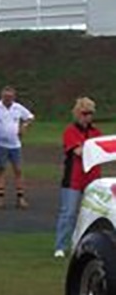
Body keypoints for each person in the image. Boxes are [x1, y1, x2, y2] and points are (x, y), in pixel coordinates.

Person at [53, 97, 103, 258]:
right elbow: (78, 152)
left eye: (90, 113)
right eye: (84, 113)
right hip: (73, 179)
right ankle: (60, 246)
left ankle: (83, 245)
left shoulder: (96, 132)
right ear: (77, 114)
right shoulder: (70, 131)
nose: (87, 117)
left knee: (91, 214)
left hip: (92, 179)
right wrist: (92, 148)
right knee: (68, 213)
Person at [0, 86, 35, 209]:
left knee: (18, 170)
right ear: (2, 96)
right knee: (1, 169)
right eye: (6, 97)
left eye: (10, 97)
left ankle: (20, 197)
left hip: (15, 144)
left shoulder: (18, 108)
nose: (8, 99)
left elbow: (30, 117)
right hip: (0, 144)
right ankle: (0, 197)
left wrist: (24, 126)